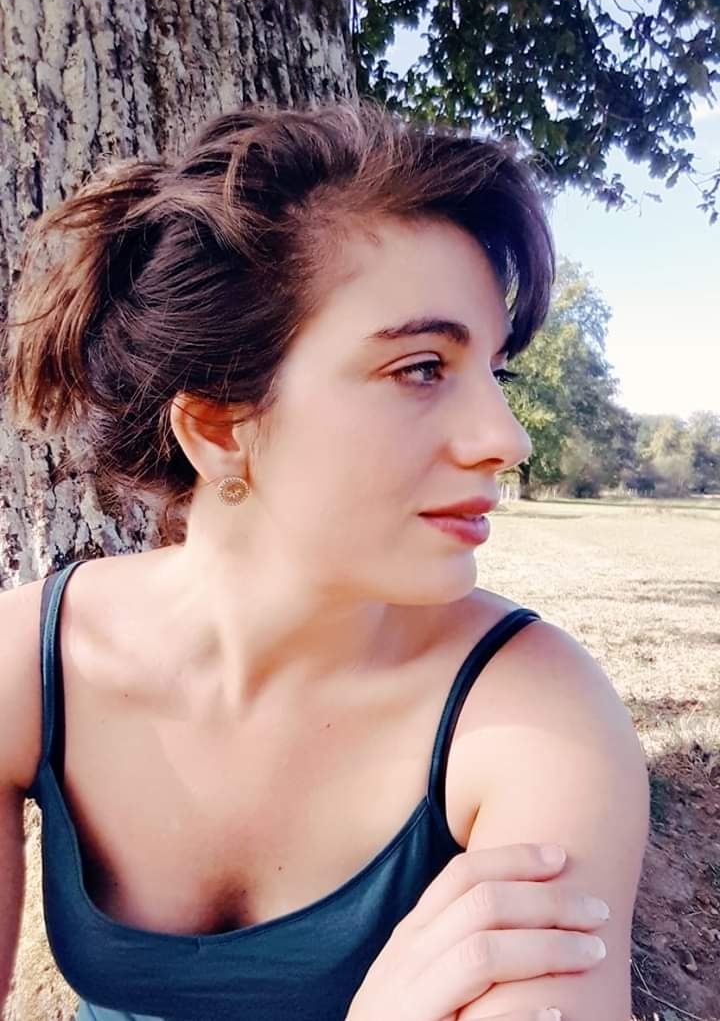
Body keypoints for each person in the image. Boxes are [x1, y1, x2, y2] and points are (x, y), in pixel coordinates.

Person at [0, 99, 649, 1021]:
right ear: (218, 427)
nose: (507, 440)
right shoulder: (31, 669)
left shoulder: (537, 718)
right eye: (421, 368)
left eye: (493, 373)